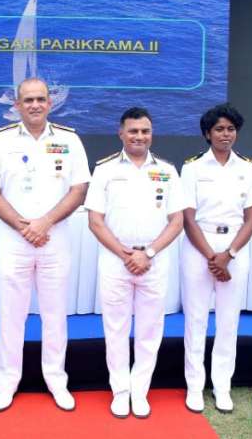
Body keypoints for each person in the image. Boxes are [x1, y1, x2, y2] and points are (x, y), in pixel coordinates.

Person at [0, 78, 90, 412]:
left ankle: (56, 380)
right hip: (14, 241)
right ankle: (8, 382)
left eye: (41, 99)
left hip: (55, 239)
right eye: (28, 100)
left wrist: (45, 223)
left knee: (55, 315)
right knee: (12, 315)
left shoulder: (69, 140)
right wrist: (23, 226)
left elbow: (79, 190)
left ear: (50, 103)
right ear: (17, 105)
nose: (35, 105)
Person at [85, 107, 187, 418]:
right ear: (121, 133)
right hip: (117, 260)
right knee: (115, 328)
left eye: (145, 131)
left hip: (154, 260)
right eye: (133, 131)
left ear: (151, 134)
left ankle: (140, 391)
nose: (139, 136)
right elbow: (95, 221)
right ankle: (121, 391)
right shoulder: (104, 170)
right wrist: (125, 254)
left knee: (149, 329)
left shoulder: (167, 170)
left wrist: (149, 253)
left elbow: (177, 221)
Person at [180, 103, 252, 413]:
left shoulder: (247, 169)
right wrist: (212, 257)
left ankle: (222, 386)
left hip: (234, 247)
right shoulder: (192, 168)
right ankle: (194, 386)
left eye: (230, 129)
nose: (225, 134)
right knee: (196, 320)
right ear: (207, 134)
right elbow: (188, 218)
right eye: (219, 129)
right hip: (199, 246)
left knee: (228, 321)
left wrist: (229, 255)